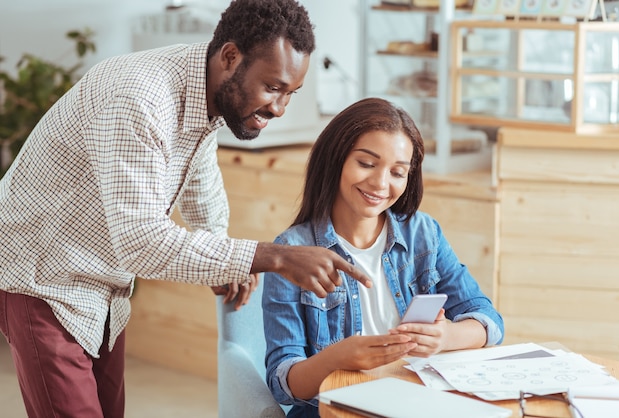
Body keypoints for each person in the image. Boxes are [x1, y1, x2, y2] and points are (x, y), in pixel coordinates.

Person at [0, 1, 371, 417]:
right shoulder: (140, 98)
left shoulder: (204, 89)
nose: (279, 109)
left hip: (103, 281)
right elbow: (142, 243)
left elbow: (201, 179)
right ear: (231, 57)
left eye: (290, 93)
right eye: (272, 87)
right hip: (44, 278)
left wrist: (227, 259)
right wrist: (273, 256)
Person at [262, 97, 505, 417]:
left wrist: (444, 337)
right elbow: (285, 384)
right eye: (366, 163)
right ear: (336, 159)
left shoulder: (423, 235)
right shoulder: (294, 251)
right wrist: (338, 358)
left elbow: (489, 321)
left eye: (397, 172)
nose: (380, 183)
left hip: (417, 404)